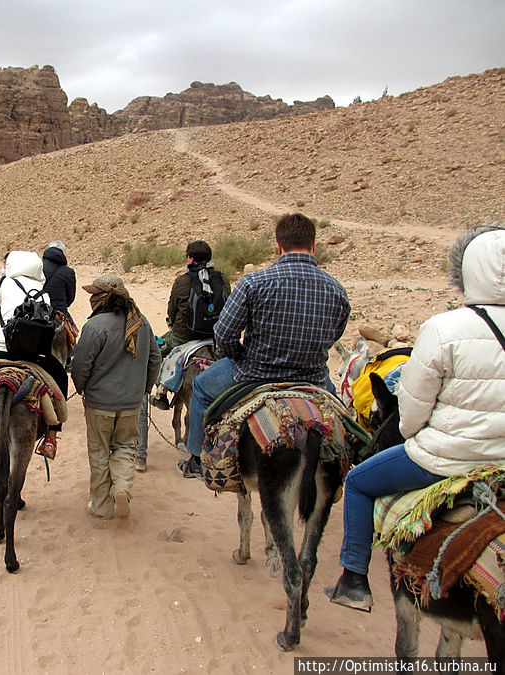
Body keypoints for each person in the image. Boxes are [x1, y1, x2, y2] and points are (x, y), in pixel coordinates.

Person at [327, 225, 505, 612]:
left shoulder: (445, 328)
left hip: (448, 459)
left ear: (468, 272)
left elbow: (412, 408)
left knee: (358, 482)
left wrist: (410, 433)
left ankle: (354, 577)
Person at [179, 213, 350, 478]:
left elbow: (223, 334)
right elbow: (333, 336)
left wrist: (239, 356)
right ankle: (348, 461)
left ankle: (197, 460)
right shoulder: (337, 289)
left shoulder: (253, 283)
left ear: (278, 246)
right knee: (343, 419)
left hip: (254, 374)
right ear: (314, 246)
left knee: (201, 388)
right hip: (313, 378)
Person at [71, 274, 161, 519]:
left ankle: (101, 506)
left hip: (100, 403)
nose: (92, 298)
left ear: (104, 298)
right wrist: (142, 389)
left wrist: (82, 388)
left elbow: (80, 366)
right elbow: (155, 360)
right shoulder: (141, 322)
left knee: (99, 453)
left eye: (95, 294)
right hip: (132, 404)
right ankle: (121, 488)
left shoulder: (95, 326)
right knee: (125, 447)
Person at [0, 250, 68, 456]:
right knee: (60, 377)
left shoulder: (2, 284)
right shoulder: (42, 291)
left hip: (2, 350)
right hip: (33, 354)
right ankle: (52, 436)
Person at [151, 240, 228, 410]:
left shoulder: (182, 281)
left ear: (191, 259)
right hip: (215, 335)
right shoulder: (221, 278)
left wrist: (172, 323)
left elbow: (172, 309)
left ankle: (161, 393)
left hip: (183, 335)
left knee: (157, 350)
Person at [41, 241, 76, 320]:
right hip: (59, 312)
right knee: (74, 330)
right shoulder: (68, 272)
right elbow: (70, 297)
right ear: (62, 252)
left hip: (39, 311)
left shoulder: (37, 267)